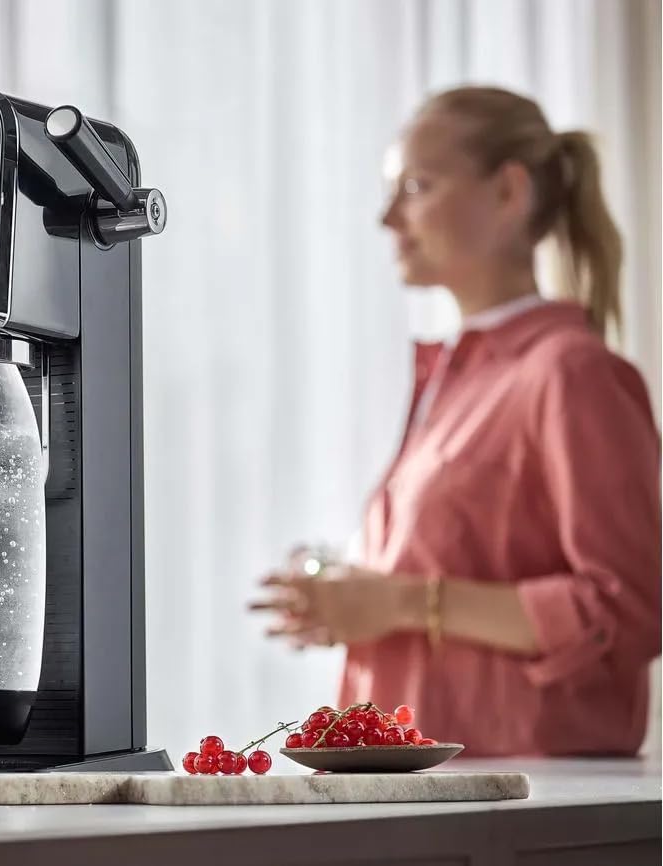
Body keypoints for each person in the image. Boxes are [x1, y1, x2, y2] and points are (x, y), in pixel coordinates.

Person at [250, 86, 661, 756]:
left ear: (509, 192)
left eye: (416, 185)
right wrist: (352, 598)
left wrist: (402, 604)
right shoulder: (453, 381)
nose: (387, 217)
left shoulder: (572, 373)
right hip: (425, 800)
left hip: (524, 808)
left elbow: (628, 612)